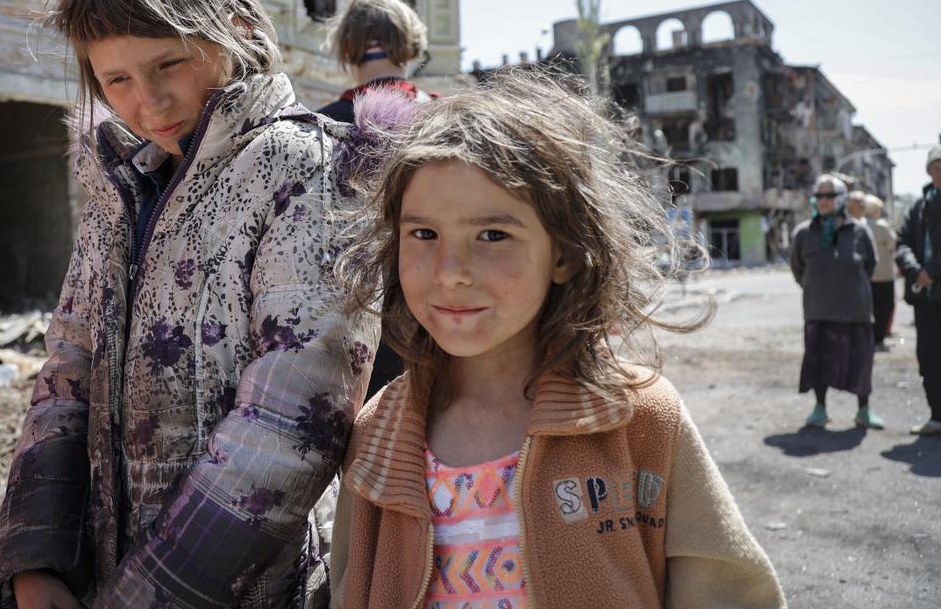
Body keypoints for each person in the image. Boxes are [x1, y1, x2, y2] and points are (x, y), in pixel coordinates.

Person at [0, 0, 380, 608]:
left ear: (231, 29)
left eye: (169, 63)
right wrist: (35, 561)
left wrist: (147, 600)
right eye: (117, 79)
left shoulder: (305, 166)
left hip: (247, 586)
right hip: (101, 571)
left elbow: (295, 415)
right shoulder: (120, 183)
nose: (149, 102)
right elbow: (65, 368)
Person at [329, 71, 785, 609]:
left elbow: (727, 592)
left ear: (564, 254)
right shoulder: (379, 431)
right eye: (423, 234)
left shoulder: (639, 418)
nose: (450, 272)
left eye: (492, 236)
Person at [319, 0, 433, 400]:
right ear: (411, 46)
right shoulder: (447, 117)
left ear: (347, 52)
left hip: (351, 322)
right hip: (438, 313)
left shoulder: (318, 126)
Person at [789, 175, 882, 429]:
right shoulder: (803, 233)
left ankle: (864, 410)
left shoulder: (860, 231)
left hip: (856, 311)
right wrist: (816, 287)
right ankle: (820, 408)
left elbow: (871, 266)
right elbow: (797, 269)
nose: (824, 201)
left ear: (841, 199)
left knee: (861, 362)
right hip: (818, 310)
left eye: (829, 196)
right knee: (818, 360)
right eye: (819, 196)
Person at [895, 143, 941, 436]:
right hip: (924, 298)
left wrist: (932, 270)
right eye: (937, 168)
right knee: (928, 356)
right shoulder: (919, 206)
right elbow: (902, 242)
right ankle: (937, 415)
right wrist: (915, 270)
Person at [865, 195, 897, 352]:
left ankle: (870, 337)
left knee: (870, 307)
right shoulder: (882, 227)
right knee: (884, 307)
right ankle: (879, 338)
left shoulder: (861, 226)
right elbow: (894, 244)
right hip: (885, 275)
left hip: (868, 276)